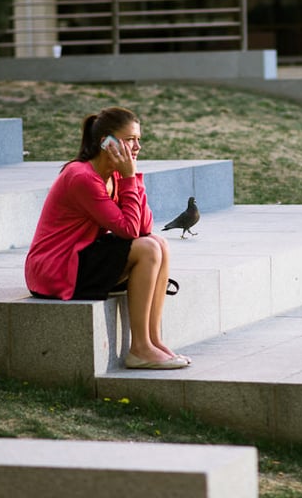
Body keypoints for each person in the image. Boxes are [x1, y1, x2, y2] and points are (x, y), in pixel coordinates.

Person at [25, 106, 189, 370]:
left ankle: (153, 340)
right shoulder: (81, 177)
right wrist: (129, 177)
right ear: (106, 142)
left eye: (138, 139)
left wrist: (132, 178)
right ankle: (139, 349)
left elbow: (144, 225)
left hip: (82, 255)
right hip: (56, 268)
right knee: (147, 249)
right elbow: (129, 231)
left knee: (161, 244)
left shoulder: (112, 174)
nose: (136, 146)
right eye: (129, 140)